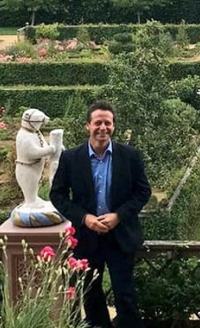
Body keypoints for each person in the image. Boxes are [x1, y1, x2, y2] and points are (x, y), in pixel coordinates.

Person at [50, 101, 152, 328]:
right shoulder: (70, 158)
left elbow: (143, 191)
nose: (103, 127)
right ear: (88, 125)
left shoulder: (130, 156)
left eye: (108, 122)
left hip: (121, 236)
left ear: (113, 126)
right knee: (90, 295)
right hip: (87, 237)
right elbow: (57, 195)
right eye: (98, 122)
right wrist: (84, 218)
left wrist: (118, 216)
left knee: (125, 295)